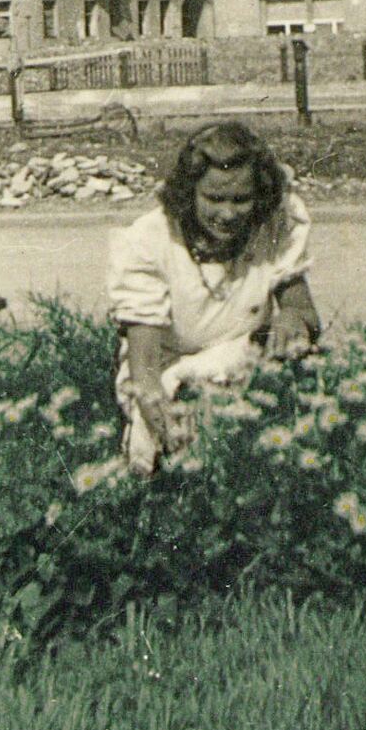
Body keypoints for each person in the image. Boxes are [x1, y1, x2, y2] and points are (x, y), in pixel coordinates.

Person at [107, 120, 321, 474]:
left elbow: (304, 311)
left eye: (241, 199)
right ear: (189, 193)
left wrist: (291, 320)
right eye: (214, 198)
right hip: (169, 374)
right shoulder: (150, 241)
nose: (227, 213)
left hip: (247, 358)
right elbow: (144, 375)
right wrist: (168, 425)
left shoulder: (275, 222)